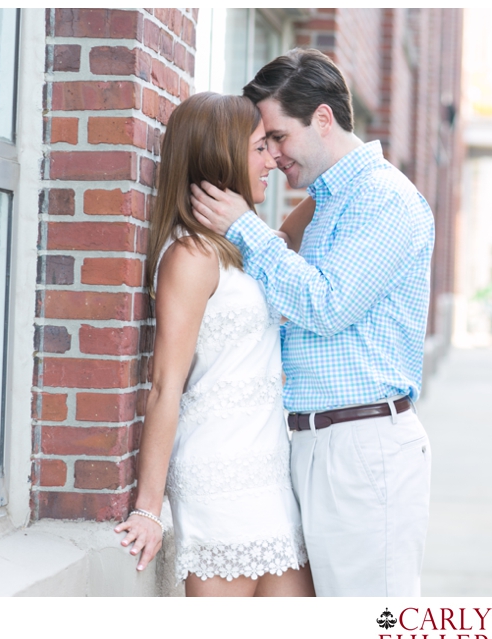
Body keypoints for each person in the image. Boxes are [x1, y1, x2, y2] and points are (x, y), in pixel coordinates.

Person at [189, 48, 435, 597]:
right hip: (309, 447)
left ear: (323, 119)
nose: (272, 156)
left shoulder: (384, 199)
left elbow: (326, 306)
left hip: (363, 449)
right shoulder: (324, 203)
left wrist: (242, 227)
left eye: (278, 136)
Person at [114, 92, 315, 597]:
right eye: (258, 148)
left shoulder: (241, 245)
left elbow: (285, 244)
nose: (271, 159)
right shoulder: (190, 255)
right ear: (219, 157)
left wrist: (340, 171)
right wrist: (148, 507)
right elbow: (166, 386)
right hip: (218, 480)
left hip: (270, 474)